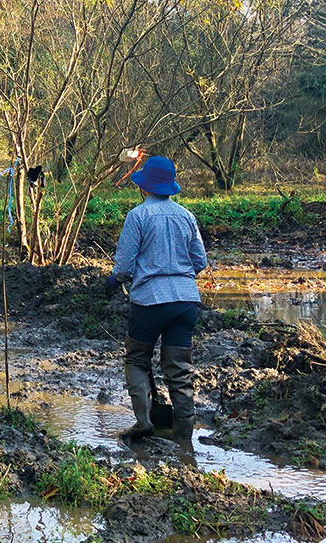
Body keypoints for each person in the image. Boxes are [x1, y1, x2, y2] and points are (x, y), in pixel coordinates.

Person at [107, 156, 207, 449]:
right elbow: (199, 261)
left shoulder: (137, 216)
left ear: (145, 187)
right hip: (186, 302)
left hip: (149, 302)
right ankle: (183, 434)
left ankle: (144, 423)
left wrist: (115, 280)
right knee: (178, 367)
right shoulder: (187, 216)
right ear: (170, 186)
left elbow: (124, 265)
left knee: (137, 358)